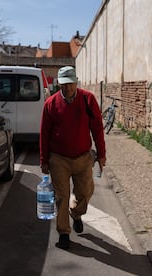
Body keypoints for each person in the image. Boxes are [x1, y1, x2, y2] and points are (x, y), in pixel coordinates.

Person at [39, 66, 106, 249]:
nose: (67, 89)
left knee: (85, 193)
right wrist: (44, 160)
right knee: (61, 196)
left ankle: (76, 213)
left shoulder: (87, 100)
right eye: (63, 85)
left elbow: (97, 129)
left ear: (76, 82)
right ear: (58, 84)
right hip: (59, 158)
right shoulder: (51, 104)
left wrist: (101, 154)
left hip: (83, 157)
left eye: (70, 84)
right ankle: (64, 234)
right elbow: (44, 133)